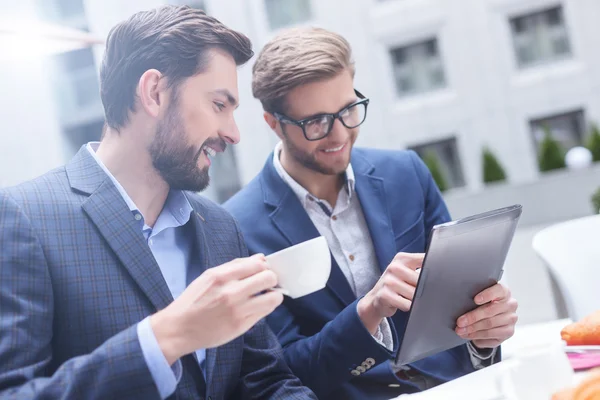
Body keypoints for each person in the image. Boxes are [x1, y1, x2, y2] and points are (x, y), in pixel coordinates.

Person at [0, 6, 316, 400]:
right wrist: (166, 337)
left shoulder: (220, 228)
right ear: (154, 93)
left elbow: (265, 380)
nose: (232, 134)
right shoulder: (24, 217)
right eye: (219, 105)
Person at [224, 27, 519, 400]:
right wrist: (367, 313)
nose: (339, 135)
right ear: (273, 123)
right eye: (316, 122)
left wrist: (485, 334)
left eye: (348, 110)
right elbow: (282, 372)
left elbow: (458, 309)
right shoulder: (235, 228)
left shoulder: (406, 173)